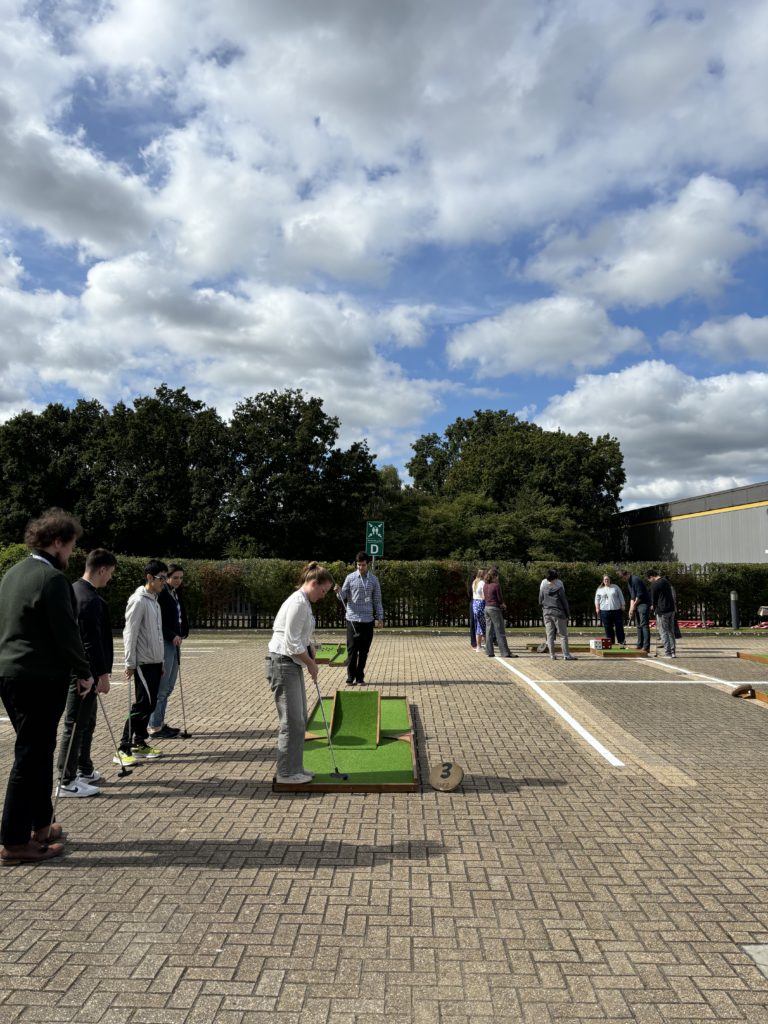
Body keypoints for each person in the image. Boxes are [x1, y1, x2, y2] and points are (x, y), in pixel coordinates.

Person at [0, 509, 93, 865]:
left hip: (11, 674)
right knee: (30, 756)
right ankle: (13, 841)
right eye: (70, 546)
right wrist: (83, 672)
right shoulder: (51, 578)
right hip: (38, 677)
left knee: (38, 751)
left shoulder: (13, 573)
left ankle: (40, 825)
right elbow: (65, 631)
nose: (71, 554)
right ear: (57, 542)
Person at [266, 562, 334, 784]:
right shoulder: (298, 602)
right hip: (283, 664)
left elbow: (300, 637)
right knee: (291, 721)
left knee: (300, 719)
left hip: (291, 665)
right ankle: (286, 773)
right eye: (323, 591)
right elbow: (291, 643)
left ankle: (296, 767)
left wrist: (311, 648)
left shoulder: (304, 602)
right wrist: (311, 664)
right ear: (313, 583)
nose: (323, 596)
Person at [56, 549, 117, 797]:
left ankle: (84, 768)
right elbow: (91, 642)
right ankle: (66, 779)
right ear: (101, 569)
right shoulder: (90, 600)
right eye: (110, 573)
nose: (110, 578)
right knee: (75, 724)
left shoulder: (73, 590)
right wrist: (101, 675)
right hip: (83, 674)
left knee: (86, 722)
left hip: (81, 671)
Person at [117, 560, 168, 763]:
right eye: (160, 578)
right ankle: (123, 747)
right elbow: (130, 632)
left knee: (151, 703)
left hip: (155, 662)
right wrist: (129, 663)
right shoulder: (138, 600)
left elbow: (157, 634)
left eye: (165, 577)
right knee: (142, 704)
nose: (163, 582)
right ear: (149, 577)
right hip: (143, 663)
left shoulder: (154, 600)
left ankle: (139, 743)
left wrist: (162, 661)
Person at [147, 563, 189, 740]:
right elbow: (158, 622)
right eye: (174, 577)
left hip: (175, 643)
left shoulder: (175, 593)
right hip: (165, 642)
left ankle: (159, 721)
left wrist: (182, 631)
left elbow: (179, 616)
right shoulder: (162, 595)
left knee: (170, 685)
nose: (178, 581)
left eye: (180, 577)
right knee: (162, 687)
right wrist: (171, 635)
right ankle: (155, 726)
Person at [337, 552, 384, 686]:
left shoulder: (374, 580)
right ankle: (350, 677)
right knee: (352, 650)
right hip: (352, 619)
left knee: (364, 651)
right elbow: (342, 596)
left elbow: (377, 600)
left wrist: (380, 617)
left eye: (362, 565)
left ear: (367, 564)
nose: (360, 567)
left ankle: (360, 676)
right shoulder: (350, 578)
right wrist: (339, 591)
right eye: (358, 565)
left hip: (367, 620)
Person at [539, 569, 576, 661]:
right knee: (563, 635)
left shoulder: (543, 587)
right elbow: (564, 602)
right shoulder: (559, 588)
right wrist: (567, 614)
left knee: (550, 635)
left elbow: (540, 600)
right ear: (555, 578)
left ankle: (552, 655)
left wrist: (544, 609)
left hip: (547, 612)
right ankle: (566, 655)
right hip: (558, 613)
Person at [483, 568, 516, 657]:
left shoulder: (485, 585)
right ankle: (505, 652)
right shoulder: (496, 585)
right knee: (500, 631)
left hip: (486, 608)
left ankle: (489, 652)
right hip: (494, 609)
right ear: (495, 576)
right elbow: (500, 598)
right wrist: (503, 604)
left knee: (488, 631)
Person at [619, 569, 652, 653]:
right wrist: (631, 609)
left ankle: (646, 646)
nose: (623, 580)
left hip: (643, 603)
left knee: (644, 624)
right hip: (637, 604)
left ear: (626, 575)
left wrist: (634, 605)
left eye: (623, 578)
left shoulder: (635, 580)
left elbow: (639, 595)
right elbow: (632, 597)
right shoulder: (629, 582)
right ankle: (639, 644)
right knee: (638, 625)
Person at [647, 569, 677, 657]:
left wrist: (653, 606)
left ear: (651, 577)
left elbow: (654, 599)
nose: (650, 581)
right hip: (671, 609)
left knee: (663, 631)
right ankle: (673, 652)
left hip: (662, 610)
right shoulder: (666, 581)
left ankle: (667, 652)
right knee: (671, 631)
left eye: (649, 579)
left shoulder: (655, 584)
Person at [594, 574, 626, 645]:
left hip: (616, 610)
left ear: (610, 580)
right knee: (608, 627)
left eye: (607, 579)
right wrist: (597, 608)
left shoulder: (615, 587)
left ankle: (621, 641)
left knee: (619, 626)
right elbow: (597, 599)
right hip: (604, 611)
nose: (606, 581)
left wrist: (623, 605)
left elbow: (621, 596)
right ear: (603, 581)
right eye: (605, 579)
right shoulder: (599, 589)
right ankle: (610, 642)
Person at [471, 568, 486, 652]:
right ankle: (480, 646)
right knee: (482, 626)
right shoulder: (482, 583)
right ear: (483, 574)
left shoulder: (474, 582)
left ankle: (479, 646)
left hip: (475, 604)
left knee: (478, 625)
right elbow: (484, 596)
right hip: (480, 604)